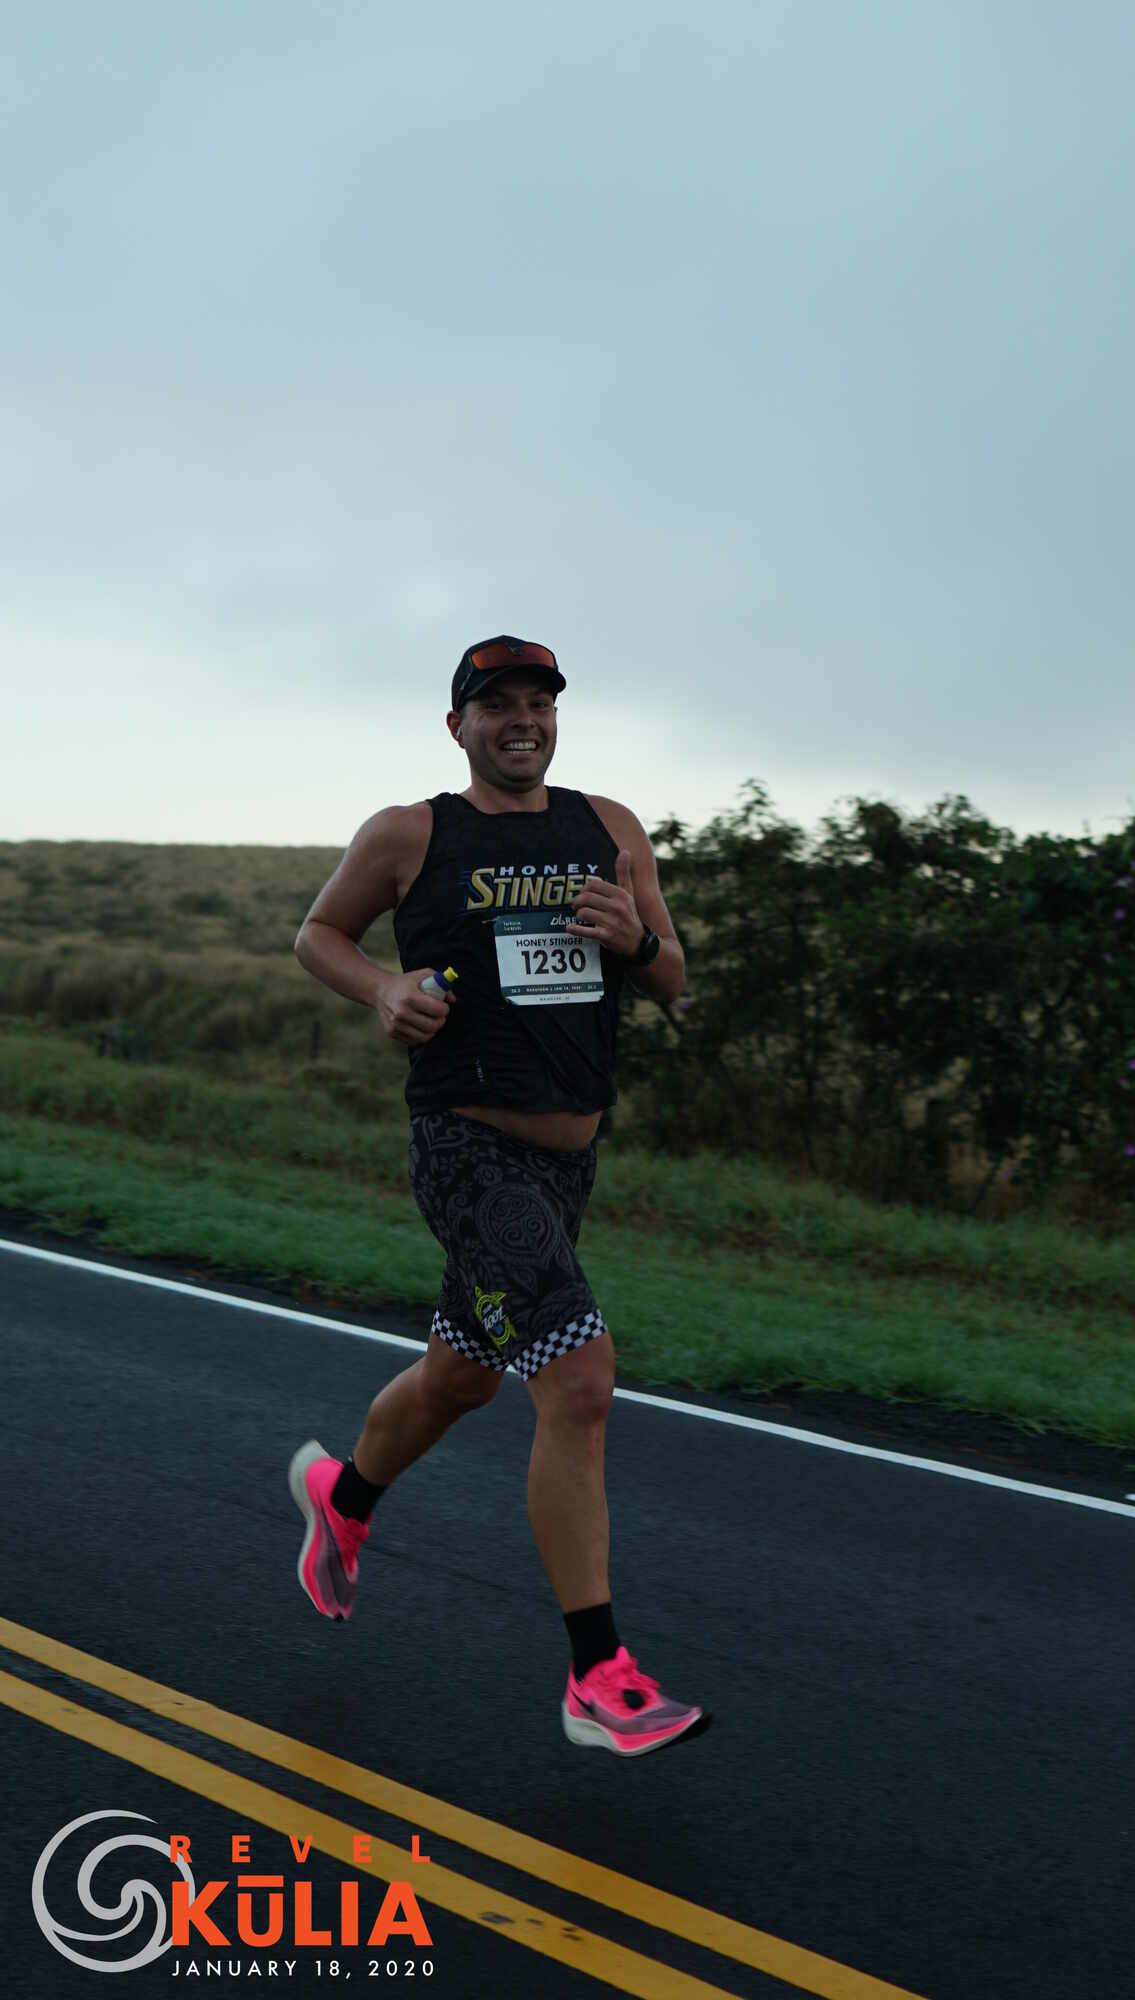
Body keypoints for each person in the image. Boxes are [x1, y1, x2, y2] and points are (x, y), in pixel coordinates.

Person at [287, 635, 709, 1757]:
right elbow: (318, 933)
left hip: (569, 1161)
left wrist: (635, 939)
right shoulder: (409, 833)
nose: (522, 720)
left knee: (463, 1375)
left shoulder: (609, 827)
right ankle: (598, 1675)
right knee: (578, 1376)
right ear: (458, 726)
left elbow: (673, 978)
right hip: (465, 1147)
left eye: (539, 702)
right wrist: (385, 987)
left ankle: (342, 1497)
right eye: (498, 705)